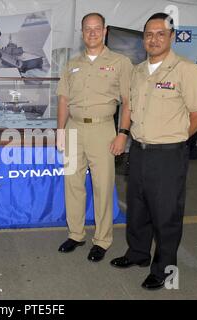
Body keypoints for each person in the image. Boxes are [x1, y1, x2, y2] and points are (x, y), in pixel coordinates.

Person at [110, 13, 197, 290]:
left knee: (166, 215)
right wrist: (125, 133)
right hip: (140, 151)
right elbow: (129, 106)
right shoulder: (138, 70)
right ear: (143, 38)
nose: (153, 39)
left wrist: (177, 141)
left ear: (172, 37)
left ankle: (164, 268)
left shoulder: (187, 70)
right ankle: (138, 254)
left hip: (168, 154)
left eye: (160, 34)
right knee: (138, 208)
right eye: (148, 34)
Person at [56, 13, 133, 262]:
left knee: (102, 186)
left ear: (105, 30)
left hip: (103, 130)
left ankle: (102, 240)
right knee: (73, 184)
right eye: (87, 29)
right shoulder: (71, 64)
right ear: (81, 32)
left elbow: (128, 101)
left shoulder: (120, 62)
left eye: (96, 28)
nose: (92, 33)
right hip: (73, 129)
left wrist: (122, 134)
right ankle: (76, 234)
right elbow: (63, 100)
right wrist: (60, 131)